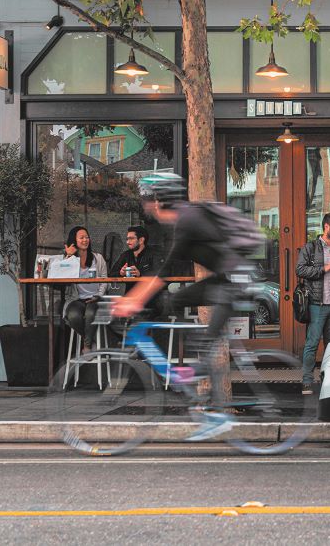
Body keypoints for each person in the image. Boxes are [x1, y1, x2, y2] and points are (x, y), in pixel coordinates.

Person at [111, 172, 250, 442]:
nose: (148, 209)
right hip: (223, 278)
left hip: (236, 281)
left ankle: (214, 412)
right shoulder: (184, 220)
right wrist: (135, 300)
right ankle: (194, 370)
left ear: (161, 202)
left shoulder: (187, 221)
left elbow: (164, 270)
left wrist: (131, 301)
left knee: (206, 340)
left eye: (149, 203)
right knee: (175, 300)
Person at [296, 213, 330, 395]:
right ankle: (306, 381)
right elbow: (300, 269)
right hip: (316, 304)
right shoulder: (311, 248)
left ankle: (328, 380)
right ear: (326, 227)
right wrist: (323, 269)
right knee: (312, 343)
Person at [57, 226, 108, 349]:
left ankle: (87, 346)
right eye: (81, 238)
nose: (85, 240)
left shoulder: (98, 258)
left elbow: (105, 279)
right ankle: (90, 341)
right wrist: (68, 258)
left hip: (95, 298)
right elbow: (61, 278)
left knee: (91, 314)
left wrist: (99, 295)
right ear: (74, 240)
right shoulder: (69, 260)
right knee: (73, 316)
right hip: (76, 299)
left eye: (87, 237)